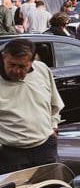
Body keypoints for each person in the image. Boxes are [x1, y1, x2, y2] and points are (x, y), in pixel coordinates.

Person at [0, 39, 63, 172]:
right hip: (10, 154)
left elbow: (54, 102)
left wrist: (53, 124)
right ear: (3, 57)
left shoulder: (42, 70)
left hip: (45, 147)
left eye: (22, 67)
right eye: (12, 64)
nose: (16, 71)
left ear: (32, 62)